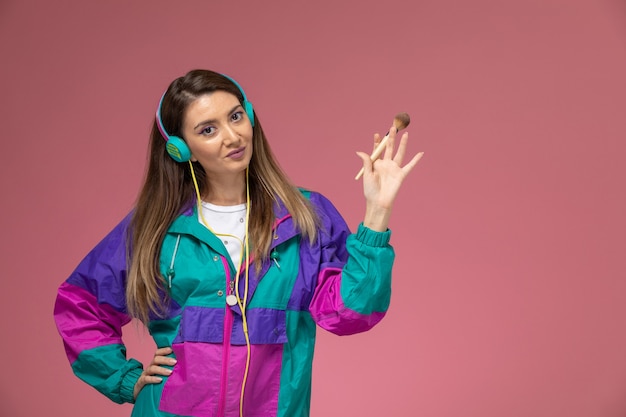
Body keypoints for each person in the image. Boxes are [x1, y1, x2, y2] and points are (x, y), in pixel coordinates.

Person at [54, 69, 422, 417]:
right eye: (208, 129)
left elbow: (350, 314)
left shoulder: (306, 216)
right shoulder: (155, 228)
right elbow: (80, 304)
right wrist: (126, 379)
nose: (232, 136)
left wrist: (377, 213)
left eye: (235, 117)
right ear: (182, 150)